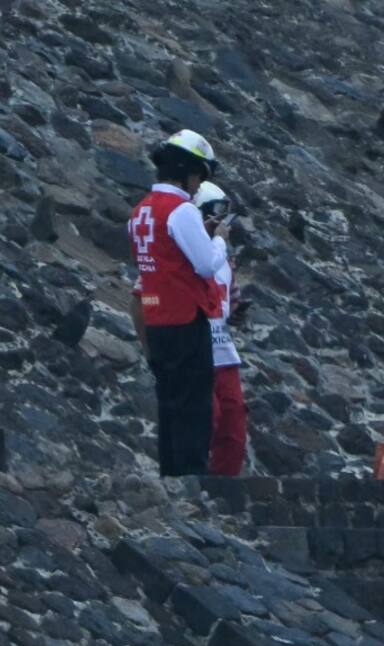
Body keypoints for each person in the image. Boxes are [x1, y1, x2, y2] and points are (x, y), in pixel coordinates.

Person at [128, 129, 228, 477]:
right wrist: (219, 242)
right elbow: (204, 264)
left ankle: (171, 474)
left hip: (157, 318)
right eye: (199, 174)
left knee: (169, 402)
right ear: (187, 169)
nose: (199, 185)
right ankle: (192, 477)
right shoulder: (181, 210)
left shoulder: (139, 211)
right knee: (194, 405)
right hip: (186, 317)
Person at [194, 181, 248, 476]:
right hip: (195, 351)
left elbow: (230, 301)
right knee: (206, 418)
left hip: (224, 355)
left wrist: (237, 315)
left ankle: (225, 490)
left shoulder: (225, 259)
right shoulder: (182, 254)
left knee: (234, 426)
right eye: (212, 216)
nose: (218, 223)